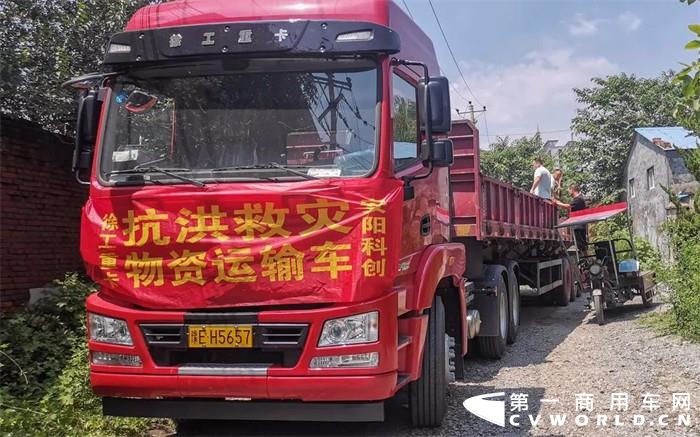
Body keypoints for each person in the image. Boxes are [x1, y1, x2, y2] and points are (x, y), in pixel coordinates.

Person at [554, 184, 588, 252]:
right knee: (580, 244)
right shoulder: (577, 199)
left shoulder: (579, 199)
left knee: (581, 244)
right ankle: (584, 257)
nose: (568, 192)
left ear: (572, 190)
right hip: (579, 225)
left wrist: (557, 202)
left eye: (569, 190)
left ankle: (584, 257)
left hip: (579, 225)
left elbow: (568, 206)